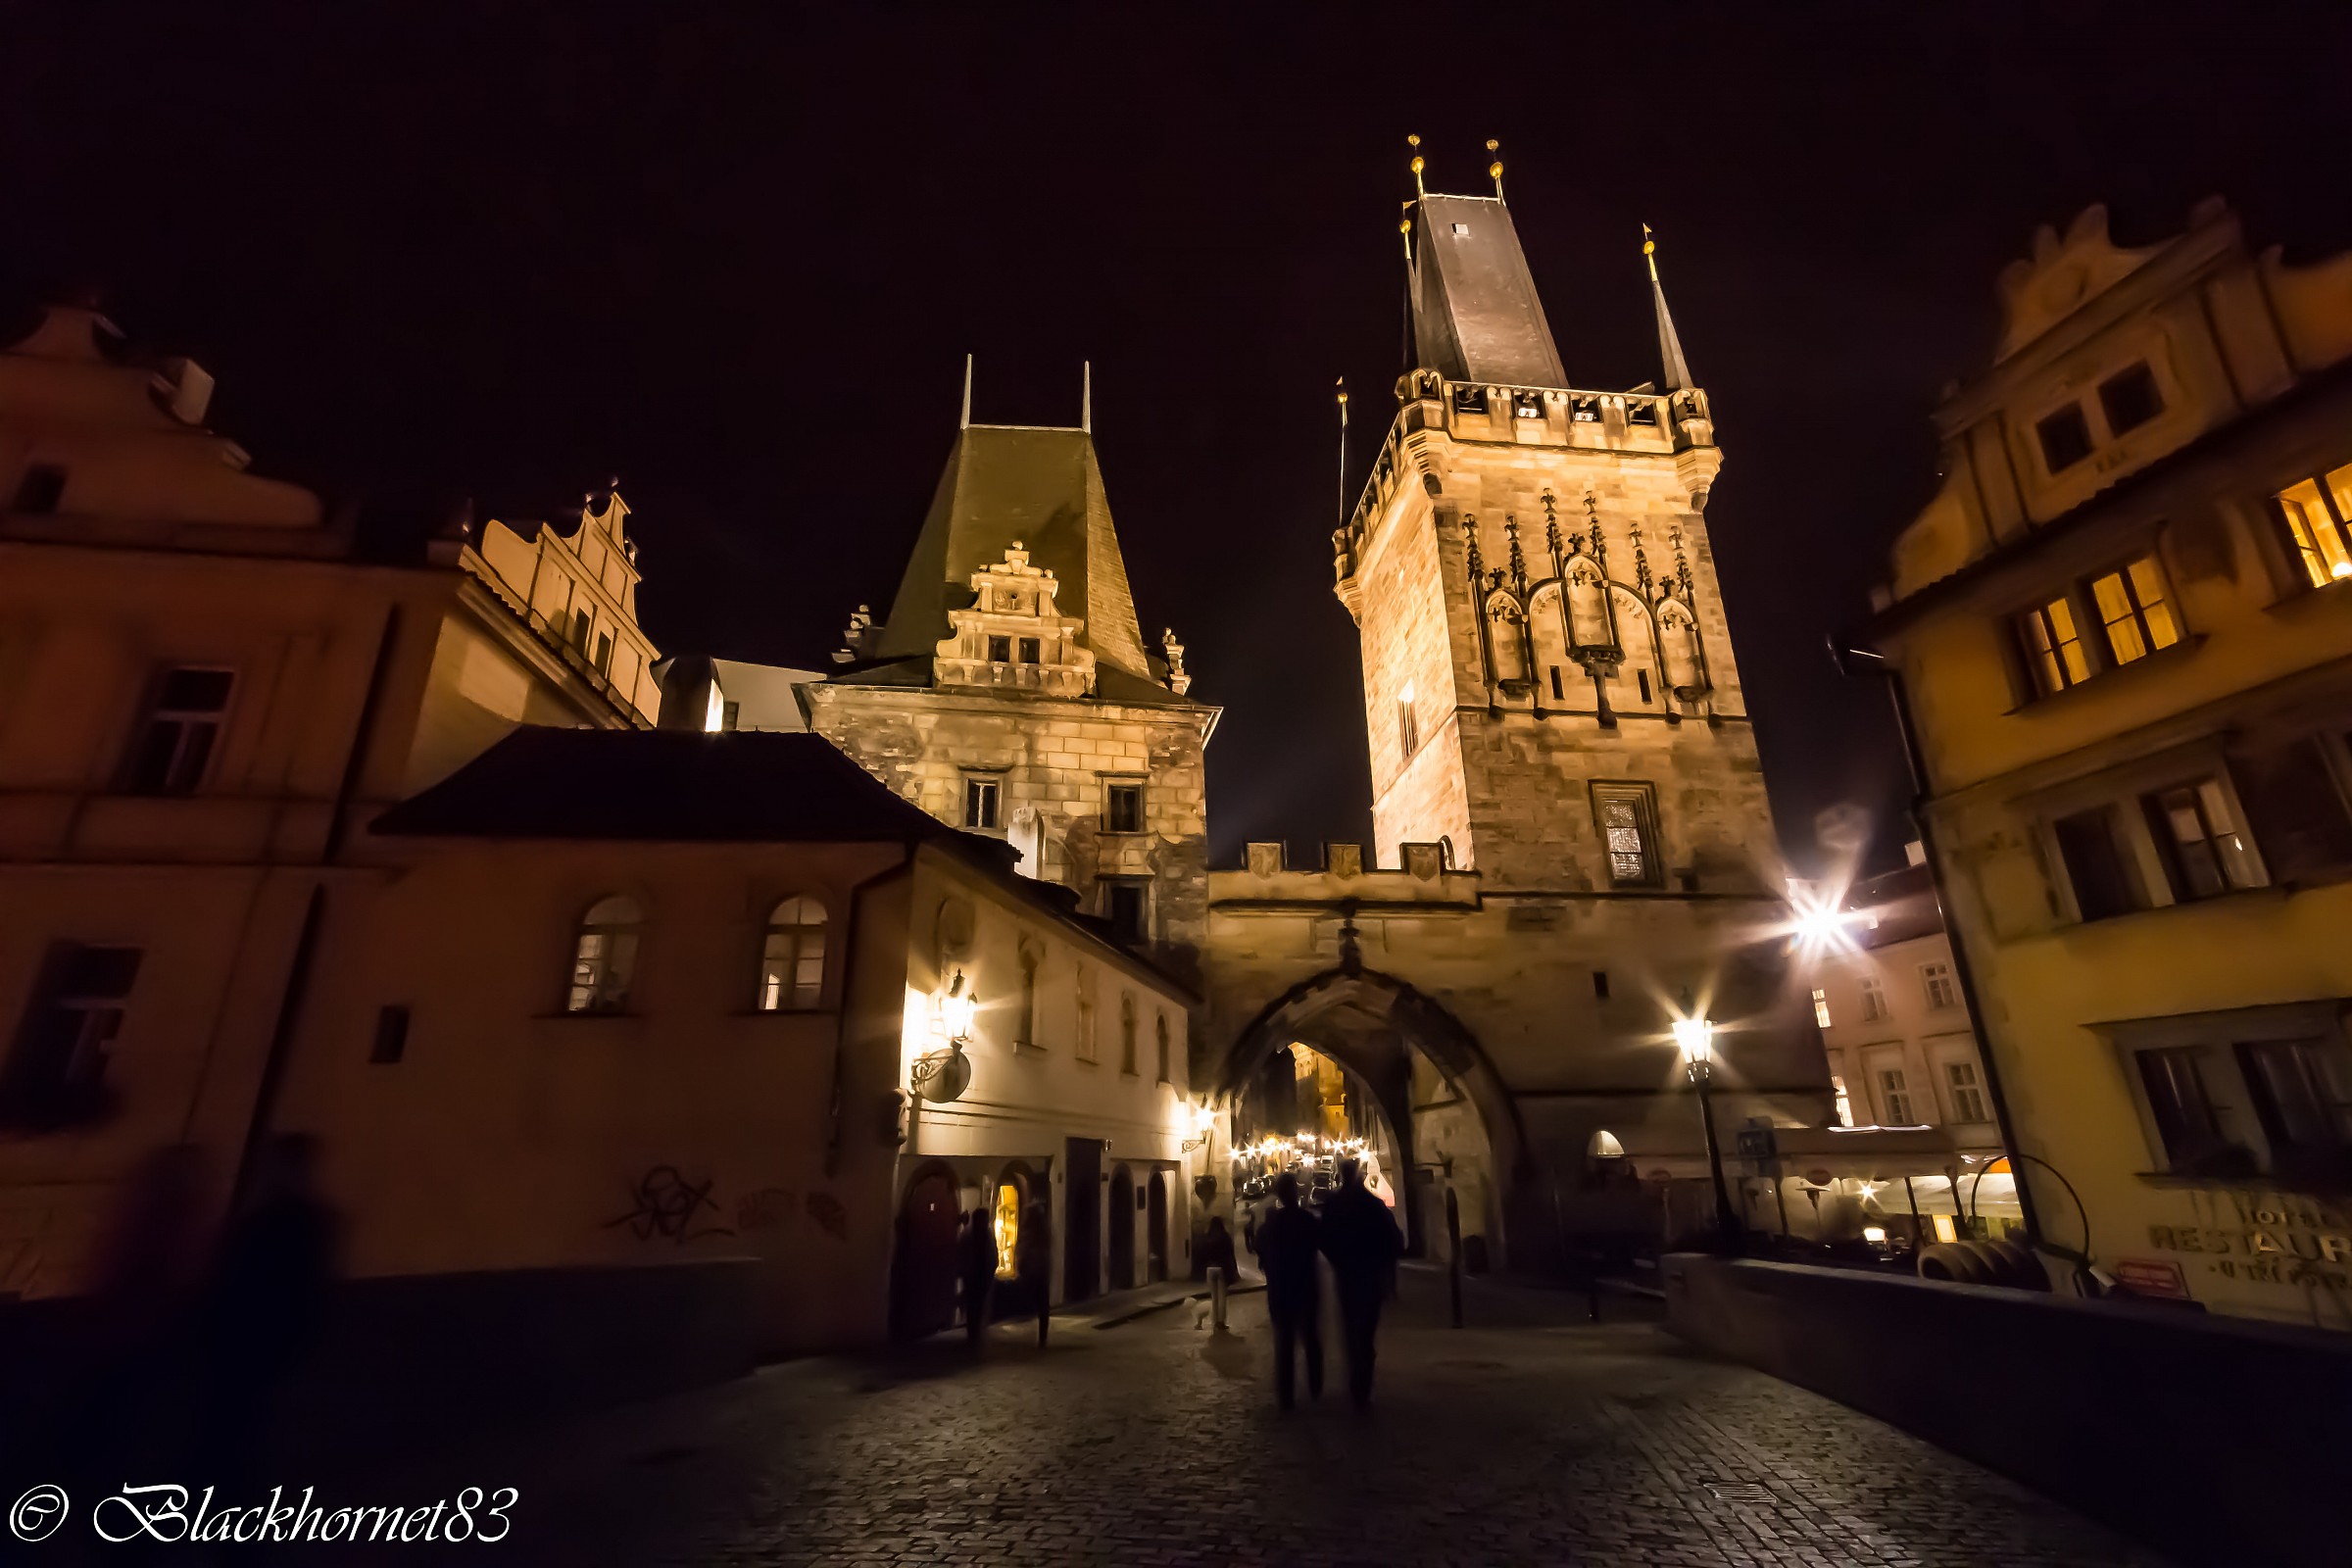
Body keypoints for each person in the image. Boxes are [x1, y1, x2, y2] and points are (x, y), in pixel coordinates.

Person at [187, 1134, 341, 1494]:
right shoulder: (306, 1222)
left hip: (252, 1336)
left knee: (236, 1423)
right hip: (258, 1337)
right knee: (241, 1422)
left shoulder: (278, 1222)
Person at [1320, 1157, 1403, 1408]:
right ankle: (1362, 1384)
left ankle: (1357, 1380)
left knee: (1350, 1328)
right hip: (1370, 1274)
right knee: (1365, 1330)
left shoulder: (1333, 1204)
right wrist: (1385, 1269)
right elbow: (1393, 1240)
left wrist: (1338, 1261)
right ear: (1357, 1175)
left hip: (1347, 1275)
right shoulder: (1372, 1205)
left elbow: (1324, 1239)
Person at [1250, 1172, 1322, 1409]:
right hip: (1305, 1287)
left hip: (1280, 1290)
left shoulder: (1271, 1226)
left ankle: (1286, 1395)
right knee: (1310, 1338)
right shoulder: (1307, 1220)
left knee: (1284, 1343)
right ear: (1295, 1192)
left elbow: (1258, 1246)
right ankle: (1315, 1386)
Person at [957, 1206, 998, 1348]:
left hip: (981, 1275)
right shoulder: (971, 1236)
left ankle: (975, 1333)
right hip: (973, 1275)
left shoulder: (984, 1235)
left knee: (978, 1305)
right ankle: (973, 1334)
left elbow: (993, 1254)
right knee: (973, 1305)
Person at [1016, 1199, 1053, 1348]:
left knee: (1037, 1304)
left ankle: (1040, 1338)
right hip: (1040, 1272)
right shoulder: (1043, 1231)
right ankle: (1041, 1338)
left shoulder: (1030, 1232)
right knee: (1042, 1306)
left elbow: (1024, 1250)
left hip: (1034, 1272)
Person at [1197, 1214, 1239, 1286]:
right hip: (1223, 1267)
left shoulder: (1208, 1237)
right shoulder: (1225, 1236)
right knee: (1222, 1292)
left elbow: (1203, 1253)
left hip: (1211, 1267)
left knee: (1213, 1293)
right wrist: (1235, 1268)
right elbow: (1230, 1253)